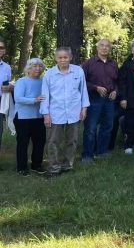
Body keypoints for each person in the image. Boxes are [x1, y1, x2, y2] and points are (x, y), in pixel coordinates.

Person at [40, 47, 90, 176]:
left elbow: (83, 90)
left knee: (72, 140)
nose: (63, 60)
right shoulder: (49, 74)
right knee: (53, 141)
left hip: (74, 112)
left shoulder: (78, 71)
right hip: (55, 113)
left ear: (70, 58)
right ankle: (54, 167)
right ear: (56, 58)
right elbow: (45, 95)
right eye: (60, 57)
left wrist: (84, 108)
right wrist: (46, 114)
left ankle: (68, 165)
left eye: (65, 57)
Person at [81, 39, 119, 162]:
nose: (104, 48)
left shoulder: (113, 64)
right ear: (97, 48)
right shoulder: (89, 63)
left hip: (109, 99)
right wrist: (95, 87)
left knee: (107, 126)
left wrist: (115, 91)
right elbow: (82, 82)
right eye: (102, 45)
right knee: (91, 128)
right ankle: (87, 155)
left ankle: (102, 152)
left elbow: (117, 81)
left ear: (110, 49)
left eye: (107, 46)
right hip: (94, 99)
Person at [13, 58, 46, 176]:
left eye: (40, 66)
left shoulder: (43, 82)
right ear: (28, 68)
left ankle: (36, 165)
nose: (38, 69)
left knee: (39, 142)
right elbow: (18, 98)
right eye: (34, 66)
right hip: (23, 118)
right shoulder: (22, 81)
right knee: (23, 143)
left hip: (39, 117)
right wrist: (34, 100)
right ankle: (21, 167)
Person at [0, 38, 13, 151]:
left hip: (1, 100)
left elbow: (8, 84)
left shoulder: (7, 67)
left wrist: (9, 87)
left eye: (1, 47)